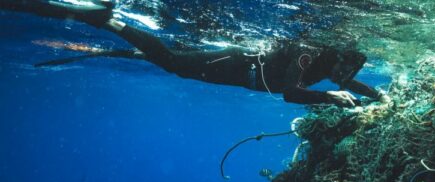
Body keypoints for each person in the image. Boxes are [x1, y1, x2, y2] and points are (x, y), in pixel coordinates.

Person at [1, 0, 389, 107]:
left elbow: (346, 83)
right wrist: (328, 98)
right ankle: (110, 21)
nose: (344, 75)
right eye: (344, 66)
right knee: (172, 64)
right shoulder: (308, 56)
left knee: (172, 58)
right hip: (232, 64)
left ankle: (122, 42)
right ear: (336, 55)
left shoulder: (329, 68)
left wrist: (377, 94)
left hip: (235, 70)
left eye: (349, 71)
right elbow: (289, 93)